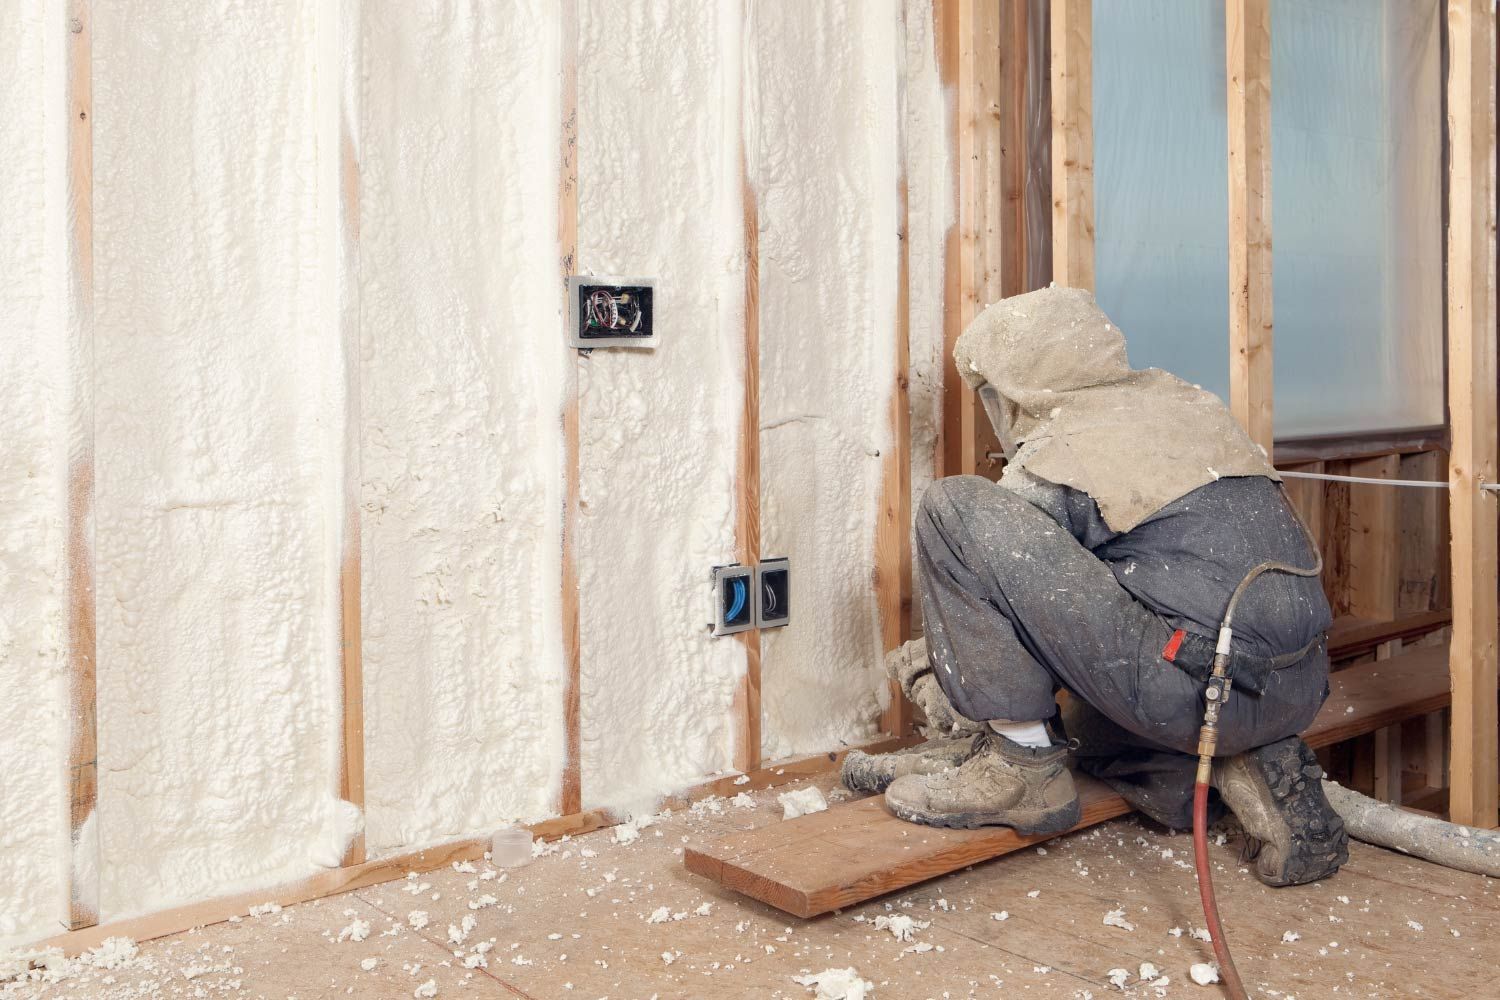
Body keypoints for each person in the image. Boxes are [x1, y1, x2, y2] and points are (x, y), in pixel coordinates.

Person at [842, 286, 1347, 887]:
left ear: (1016, 386)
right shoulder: (1187, 406)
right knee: (1082, 727)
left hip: (1194, 689)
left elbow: (994, 582)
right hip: (1293, 685)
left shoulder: (1068, 449)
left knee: (953, 508)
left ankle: (1020, 769)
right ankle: (1234, 766)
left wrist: (940, 671)